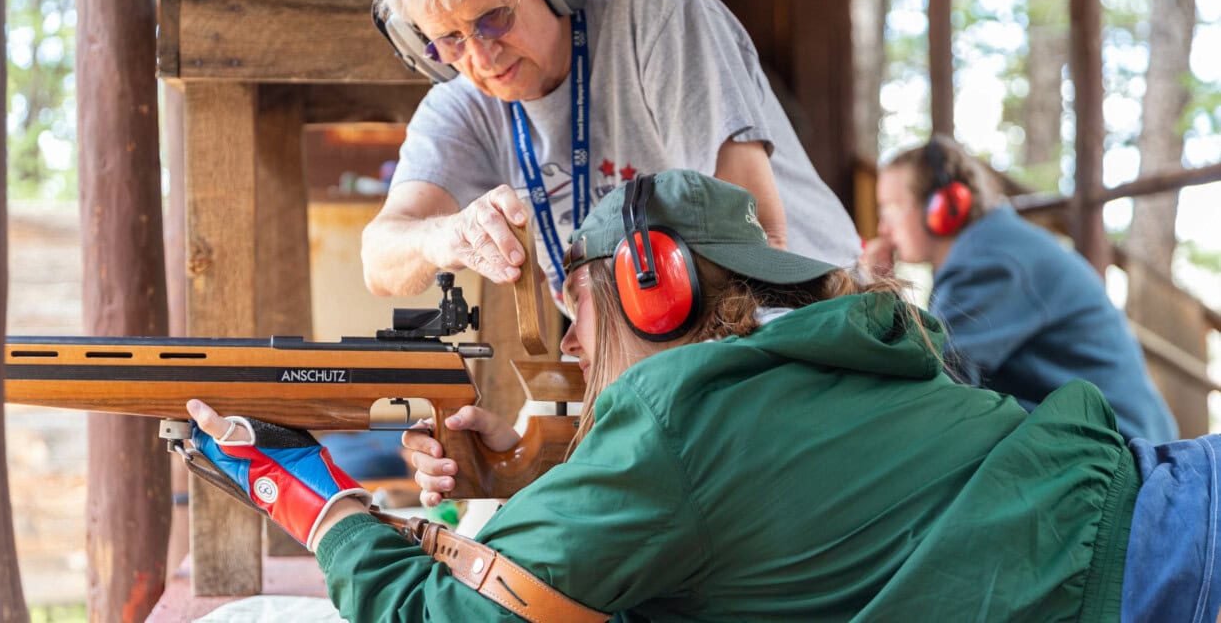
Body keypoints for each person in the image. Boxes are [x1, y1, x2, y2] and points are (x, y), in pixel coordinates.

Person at [188, 170, 1219, 622]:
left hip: (1163, 580)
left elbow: (449, 621)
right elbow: (746, 502)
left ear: (654, 284)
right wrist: (538, 479)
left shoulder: (676, 411)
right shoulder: (840, 346)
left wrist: (315, 501)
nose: (572, 345)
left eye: (579, 310)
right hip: (1175, 505)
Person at [360, 0, 859, 302]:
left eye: (494, 18)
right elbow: (379, 261)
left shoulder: (657, 10)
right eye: (448, 39)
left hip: (812, 314)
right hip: (667, 350)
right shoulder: (460, 104)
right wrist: (444, 236)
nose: (480, 56)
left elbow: (755, 238)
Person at [862, 135, 1177, 443]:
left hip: (1119, 449)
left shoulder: (988, 262)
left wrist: (878, 294)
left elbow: (933, 383)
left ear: (943, 207)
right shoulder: (993, 245)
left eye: (890, 210)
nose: (882, 229)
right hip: (1114, 437)